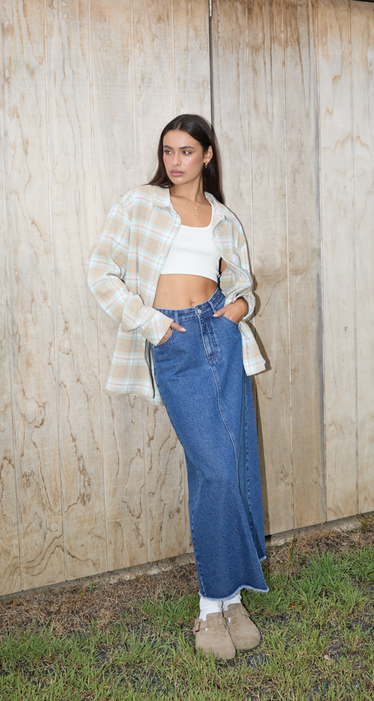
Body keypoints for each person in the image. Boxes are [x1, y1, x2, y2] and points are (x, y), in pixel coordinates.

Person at [87, 114, 268, 660]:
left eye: (186, 151)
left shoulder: (223, 217)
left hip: (221, 335)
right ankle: (211, 605)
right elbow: (101, 272)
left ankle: (230, 600)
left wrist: (237, 310)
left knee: (232, 465)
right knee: (216, 468)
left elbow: (243, 283)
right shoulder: (139, 203)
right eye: (168, 151)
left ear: (207, 155)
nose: (175, 161)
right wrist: (153, 325)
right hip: (175, 341)